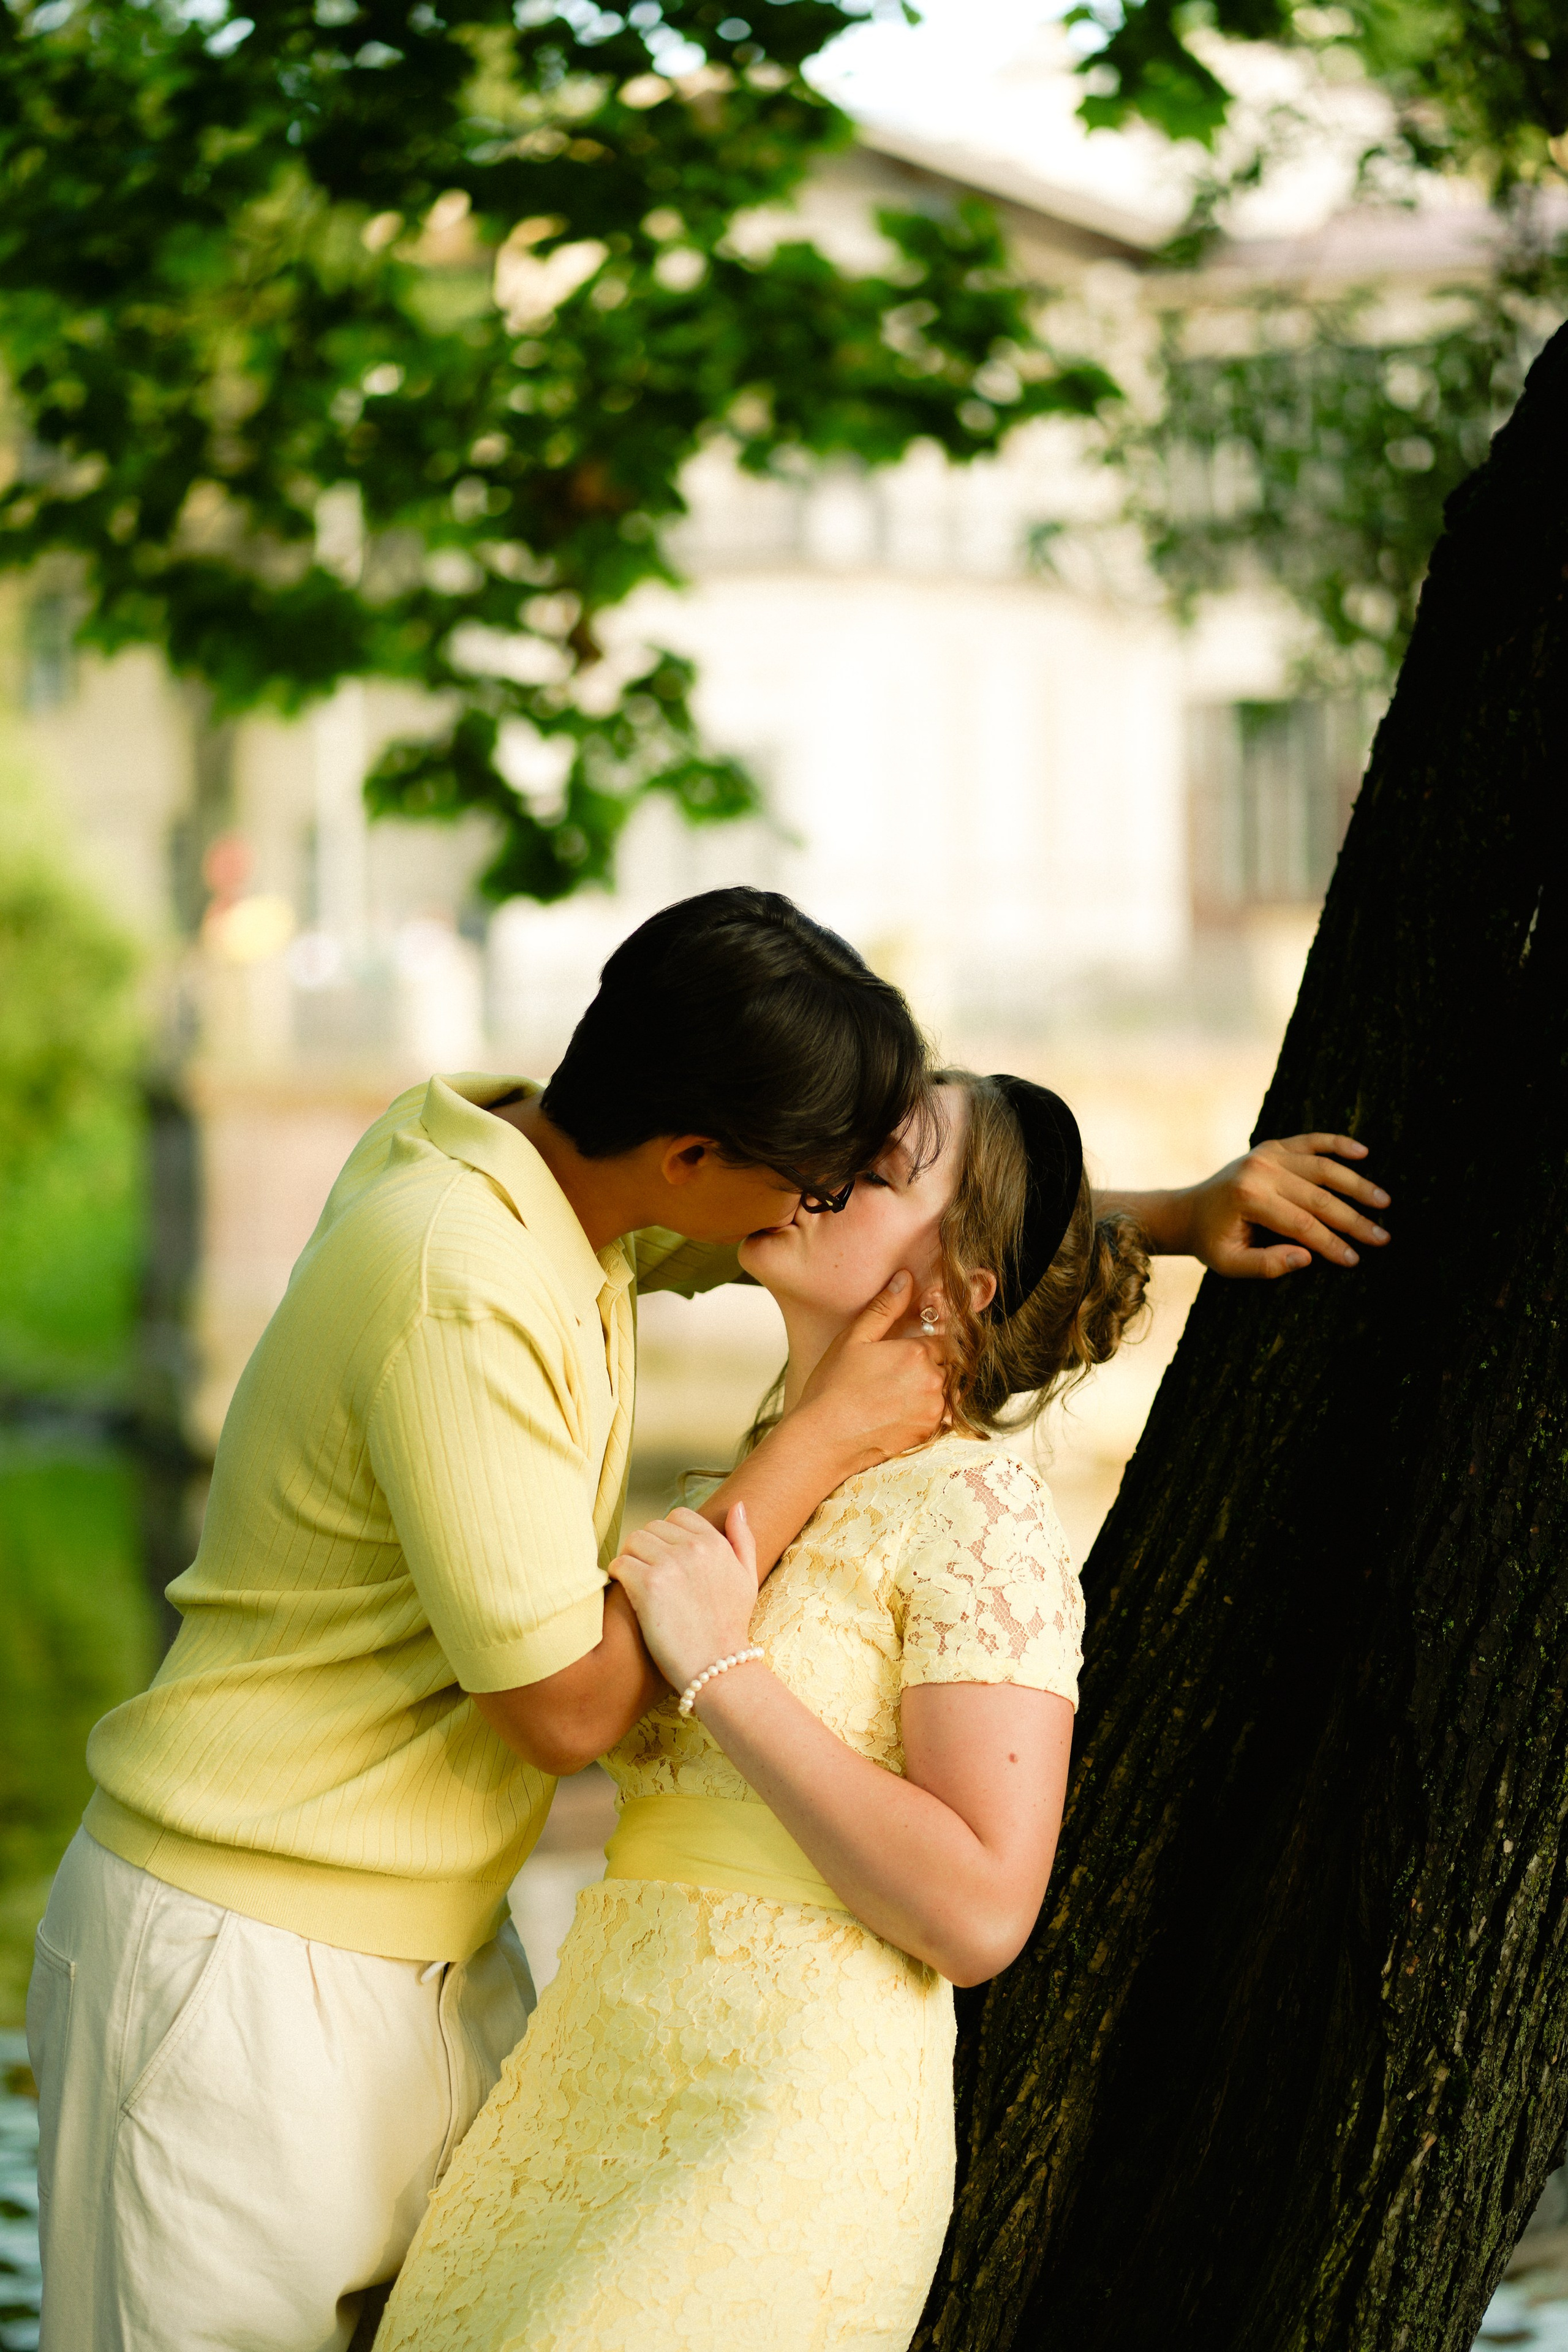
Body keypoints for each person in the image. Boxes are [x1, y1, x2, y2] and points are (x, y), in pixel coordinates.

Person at [28, 881, 1387, 2352]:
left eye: (857, 1172)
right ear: (694, 1158)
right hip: (252, 1956)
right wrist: (809, 1445)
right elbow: (563, 1712)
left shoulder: (575, 1198)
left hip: (479, 1987)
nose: (818, 1197)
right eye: (817, 1170)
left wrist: (1171, 1215)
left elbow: (942, 1229)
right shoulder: (463, 1272)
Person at [373, 1066, 1391, 2352]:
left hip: (783, 2125)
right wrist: (1173, 1216)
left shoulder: (978, 1511)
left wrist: (721, 1675)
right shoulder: (782, 1456)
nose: (812, 1166)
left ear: (959, 1284)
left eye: (874, 1166)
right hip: (584, 2080)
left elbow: (978, 1910)